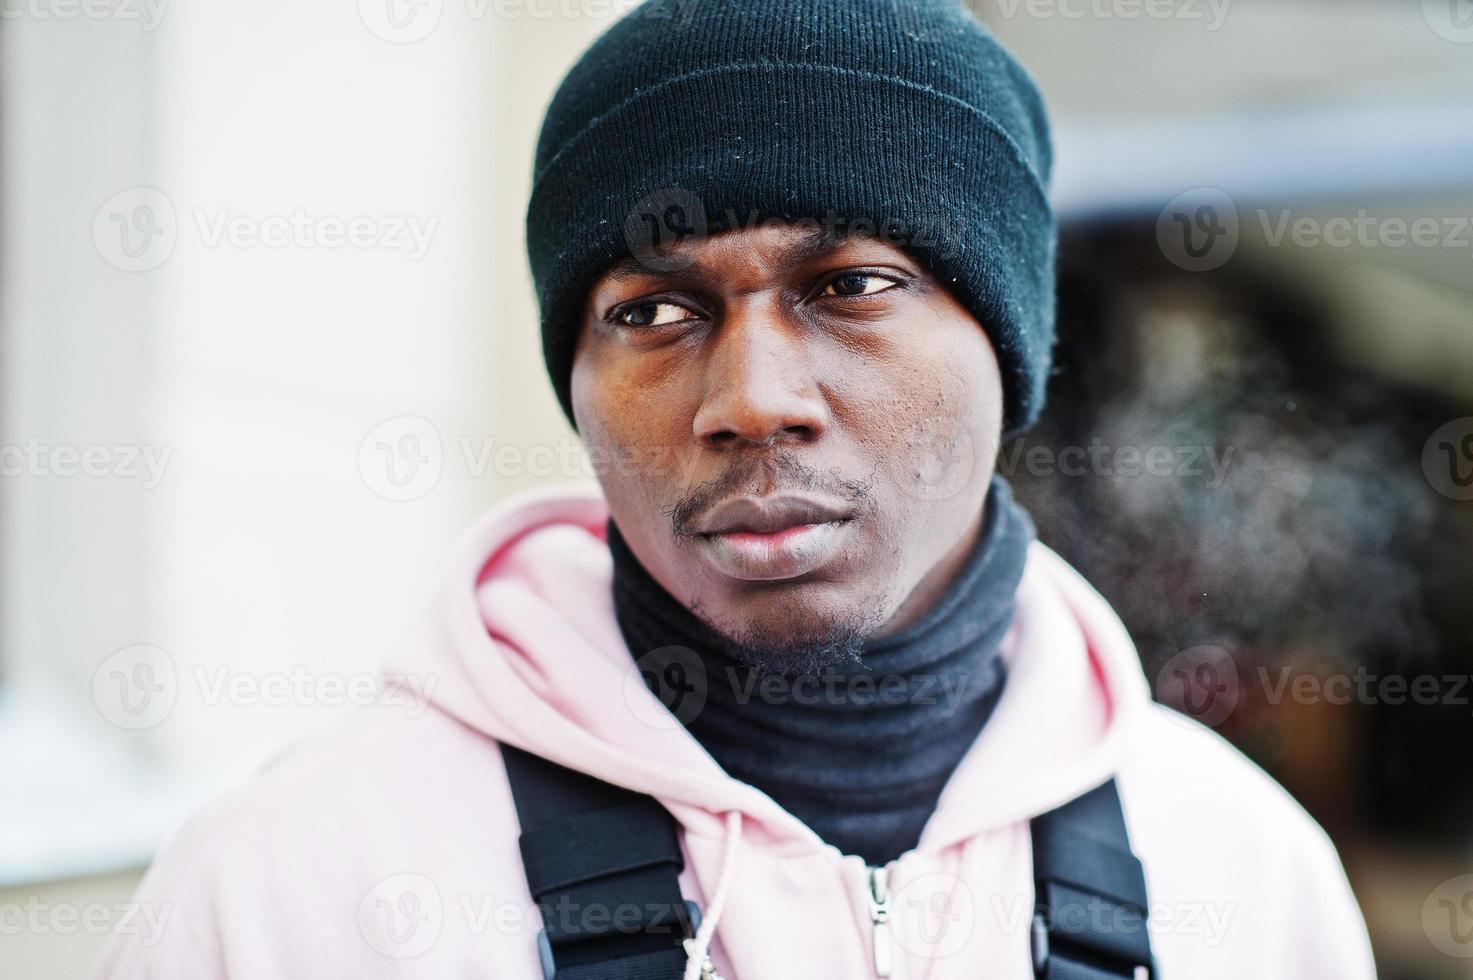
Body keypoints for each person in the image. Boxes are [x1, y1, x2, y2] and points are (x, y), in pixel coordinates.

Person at [97, 0, 1377, 976]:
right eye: (654, 307)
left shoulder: (1241, 875)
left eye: (850, 286)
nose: (753, 396)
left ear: (1011, 347)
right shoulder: (292, 890)